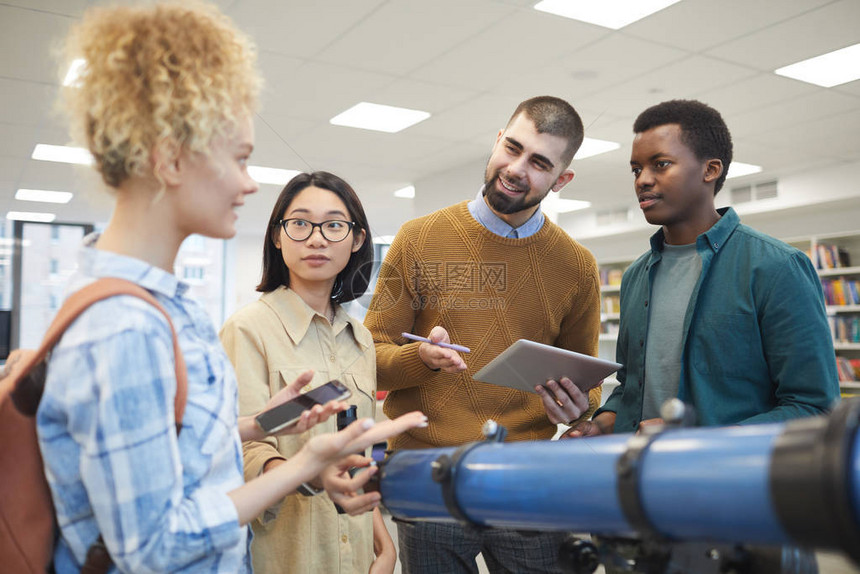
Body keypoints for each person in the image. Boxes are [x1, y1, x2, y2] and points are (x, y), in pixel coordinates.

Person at [35, 4, 424, 573]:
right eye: (240, 158)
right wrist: (301, 464)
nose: (247, 184)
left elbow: (182, 452)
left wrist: (265, 423)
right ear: (170, 159)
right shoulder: (124, 326)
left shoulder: (167, 310)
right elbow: (154, 548)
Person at [363, 96, 601, 573]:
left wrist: (579, 406)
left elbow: (586, 378)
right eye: (511, 147)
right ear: (497, 140)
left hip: (525, 476)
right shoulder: (417, 238)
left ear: (561, 180)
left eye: (538, 163)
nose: (515, 168)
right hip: (430, 472)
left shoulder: (576, 266)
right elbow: (369, 355)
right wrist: (422, 359)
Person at [542, 99, 840, 438]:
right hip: (638, 479)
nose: (643, 180)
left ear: (710, 170)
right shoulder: (637, 276)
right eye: (637, 169)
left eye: (661, 164)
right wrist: (603, 423)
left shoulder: (777, 267)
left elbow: (815, 408)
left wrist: (697, 435)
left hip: (732, 483)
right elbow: (632, 388)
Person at [220, 171, 397, 574]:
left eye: (334, 225)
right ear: (278, 236)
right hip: (287, 553)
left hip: (359, 558)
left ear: (357, 240)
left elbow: (358, 461)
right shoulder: (248, 329)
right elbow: (242, 450)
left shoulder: (362, 339)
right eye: (300, 223)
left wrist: (385, 548)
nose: (316, 238)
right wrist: (312, 476)